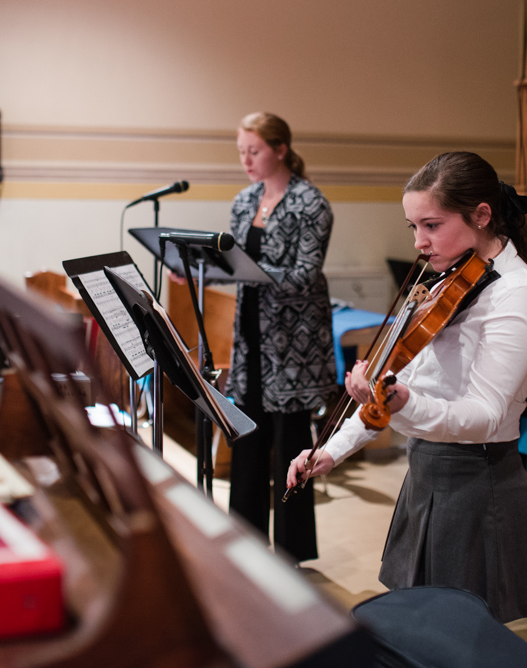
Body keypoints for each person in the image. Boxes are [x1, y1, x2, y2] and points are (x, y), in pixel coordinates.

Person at [286, 151, 527, 622]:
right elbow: (398, 380)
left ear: (482, 215)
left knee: (459, 639)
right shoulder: (449, 279)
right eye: (413, 227)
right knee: (423, 631)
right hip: (427, 476)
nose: (419, 242)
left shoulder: (519, 296)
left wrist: (402, 403)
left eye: (430, 225)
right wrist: (332, 449)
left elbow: (485, 415)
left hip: (477, 485)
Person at [227, 112, 336, 563]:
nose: (246, 160)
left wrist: (247, 270)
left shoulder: (311, 204)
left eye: (254, 151)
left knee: (291, 450)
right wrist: (198, 268)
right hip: (251, 340)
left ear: (280, 150)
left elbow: (305, 276)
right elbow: (231, 261)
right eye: (241, 152)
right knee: (247, 443)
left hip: (293, 347)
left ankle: (290, 554)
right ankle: (244, 546)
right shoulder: (244, 200)